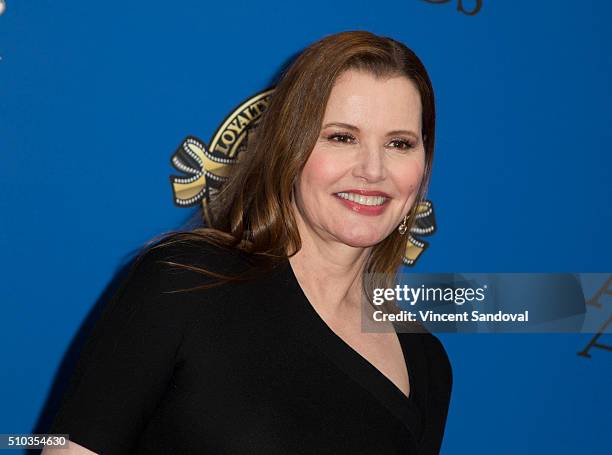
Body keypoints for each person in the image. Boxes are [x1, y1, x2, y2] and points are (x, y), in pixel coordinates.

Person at [43, 30, 452, 454]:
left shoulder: (424, 363)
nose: (373, 169)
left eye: (399, 143)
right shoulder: (185, 281)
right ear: (290, 146)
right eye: (341, 137)